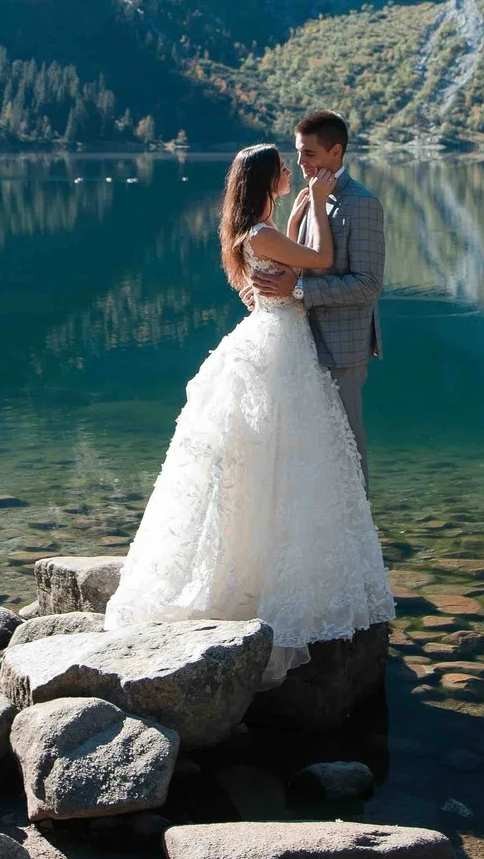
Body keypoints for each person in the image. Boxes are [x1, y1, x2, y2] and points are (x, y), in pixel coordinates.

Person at [102, 137, 394, 682]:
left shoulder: (252, 230)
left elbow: (292, 274)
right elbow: (325, 261)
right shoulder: (262, 232)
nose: (291, 171)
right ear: (267, 180)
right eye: (283, 168)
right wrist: (312, 209)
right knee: (284, 450)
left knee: (265, 453)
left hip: (275, 337)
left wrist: (306, 209)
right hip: (281, 345)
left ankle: (257, 565)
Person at [242, 110, 383, 470]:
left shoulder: (361, 203)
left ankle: (359, 525)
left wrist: (297, 289)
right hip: (298, 345)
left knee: (347, 446)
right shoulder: (308, 198)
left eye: (310, 154)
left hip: (340, 345)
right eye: (298, 152)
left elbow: (367, 285)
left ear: (335, 153)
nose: (301, 163)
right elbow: (295, 261)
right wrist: (266, 290)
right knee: (310, 450)